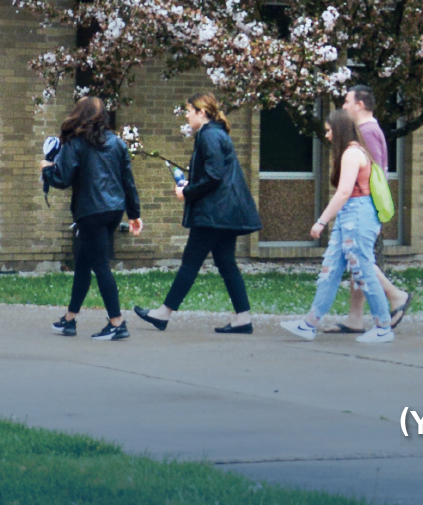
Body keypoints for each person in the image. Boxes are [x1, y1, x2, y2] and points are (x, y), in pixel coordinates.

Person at [134, 93, 262, 334]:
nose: (186, 115)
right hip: (224, 212)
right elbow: (216, 174)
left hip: (214, 212)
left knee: (190, 263)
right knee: (226, 264)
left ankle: (164, 313)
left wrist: (188, 191)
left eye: (189, 110)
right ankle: (243, 317)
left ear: (201, 112)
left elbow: (213, 175)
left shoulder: (209, 135)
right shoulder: (216, 133)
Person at [280, 110, 393, 343]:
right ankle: (309, 323)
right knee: (330, 269)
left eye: (330, 130)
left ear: (339, 130)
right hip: (350, 215)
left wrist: (321, 221)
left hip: (357, 214)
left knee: (363, 270)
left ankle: (383, 326)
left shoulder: (352, 153)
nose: (327, 135)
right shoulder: (356, 152)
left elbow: (343, 192)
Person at [41, 96, 143, 341]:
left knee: (99, 265)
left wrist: (46, 169)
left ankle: (117, 323)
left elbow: (62, 179)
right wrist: (134, 214)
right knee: (84, 262)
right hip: (113, 210)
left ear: (79, 114)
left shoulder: (75, 143)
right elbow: (128, 181)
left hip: (90, 211)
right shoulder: (117, 143)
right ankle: (69, 319)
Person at [321, 85, 412, 335]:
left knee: (360, 258)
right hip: (365, 206)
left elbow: (371, 175)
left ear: (360, 105)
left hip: (362, 207)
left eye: (347, 102)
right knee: (356, 260)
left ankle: (396, 296)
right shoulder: (369, 129)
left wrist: (368, 210)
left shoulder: (367, 132)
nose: (344, 106)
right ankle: (355, 318)